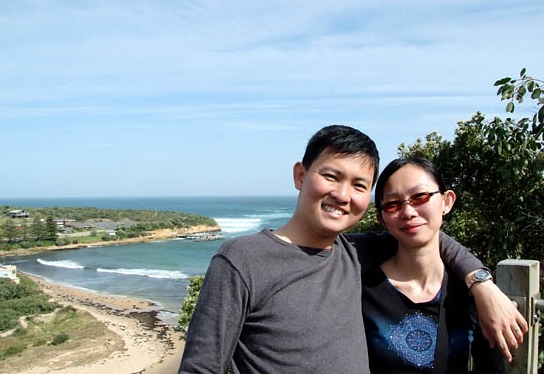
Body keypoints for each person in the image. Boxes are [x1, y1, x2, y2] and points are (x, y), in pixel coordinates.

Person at [178, 125, 525, 374]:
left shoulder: (354, 254)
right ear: (301, 175)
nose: (343, 195)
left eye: (359, 185)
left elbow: (427, 236)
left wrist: (482, 284)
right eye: (331, 176)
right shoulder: (243, 259)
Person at [361, 157, 507, 373]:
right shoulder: (362, 288)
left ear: (446, 202)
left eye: (420, 197)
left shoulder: (472, 296)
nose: (408, 212)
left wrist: (482, 285)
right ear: (382, 219)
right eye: (393, 204)